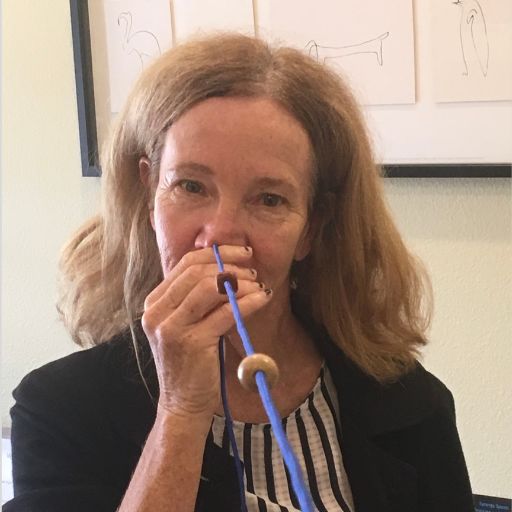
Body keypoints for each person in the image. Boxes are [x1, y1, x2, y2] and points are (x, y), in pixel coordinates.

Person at [5, 34, 474, 512]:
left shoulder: (408, 403)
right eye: (190, 186)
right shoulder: (60, 410)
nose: (220, 235)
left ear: (312, 227)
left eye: (269, 199)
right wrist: (181, 410)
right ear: (149, 196)